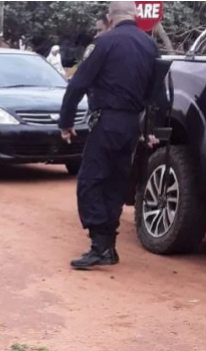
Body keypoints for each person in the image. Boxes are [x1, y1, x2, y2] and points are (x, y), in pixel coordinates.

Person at [59, 1, 158, 269]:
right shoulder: (149, 45)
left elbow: (78, 84)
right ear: (135, 16)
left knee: (90, 181)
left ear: (109, 17)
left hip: (107, 122)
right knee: (116, 182)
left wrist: (66, 122)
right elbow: (155, 94)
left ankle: (99, 247)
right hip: (132, 126)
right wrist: (150, 129)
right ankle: (109, 247)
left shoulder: (106, 43)